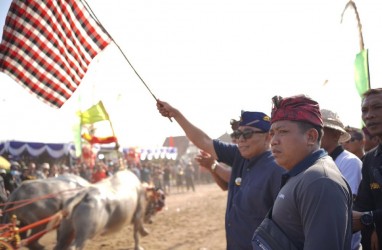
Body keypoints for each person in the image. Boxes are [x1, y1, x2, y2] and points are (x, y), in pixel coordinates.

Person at [157, 100, 284, 250]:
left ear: (268, 137)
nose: (241, 139)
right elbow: (204, 141)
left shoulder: (278, 169)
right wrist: (176, 114)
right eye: (238, 134)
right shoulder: (239, 155)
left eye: (248, 133)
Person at [253, 95, 352, 249]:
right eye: (272, 133)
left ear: (311, 137)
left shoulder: (320, 181)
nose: (274, 141)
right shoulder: (302, 174)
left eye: (283, 131)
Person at [320, 109, 362, 250]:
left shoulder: (350, 162)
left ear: (336, 134)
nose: (315, 133)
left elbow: (346, 203)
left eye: (321, 129)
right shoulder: (319, 160)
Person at [353, 88, 382, 250]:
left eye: (377, 107)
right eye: (364, 110)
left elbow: (365, 215)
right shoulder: (370, 159)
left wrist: (371, 218)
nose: (369, 115)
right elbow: (363, 205)